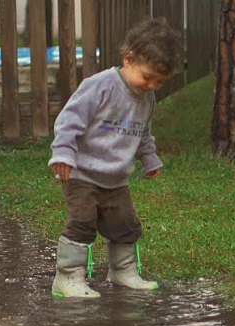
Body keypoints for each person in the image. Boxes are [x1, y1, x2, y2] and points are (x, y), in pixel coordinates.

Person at [48, 17, 183, 298]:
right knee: (82, 221)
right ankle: (68, 277)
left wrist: (150, 160)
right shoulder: (100, 86)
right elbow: (68, 121)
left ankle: (122, 271)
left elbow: (143, 134)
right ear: (129, 58)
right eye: (148, 77)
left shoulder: (147, 99)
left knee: (125, 224)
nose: (152, 86)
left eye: (159, 82)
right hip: (82, 174)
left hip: (116, 179)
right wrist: (63, 153)